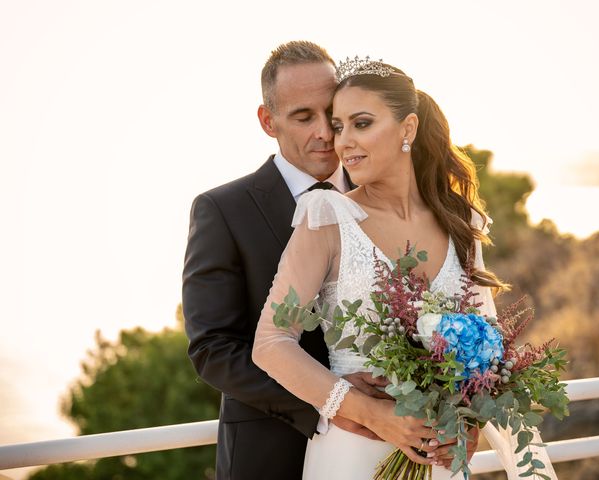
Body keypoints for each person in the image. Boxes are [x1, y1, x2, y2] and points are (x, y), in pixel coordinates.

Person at [252, 58, 557, 479]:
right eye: (339, 127)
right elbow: (270, 342)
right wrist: (372, 414)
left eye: (361, 123)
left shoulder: (460, 221)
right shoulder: (326, 216)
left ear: (408, 129)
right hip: (353, 453)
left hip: (443, 458)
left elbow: (486, 348)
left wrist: (469, 421)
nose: (343, 142)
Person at [183, 42, 436, 480]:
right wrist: (332, 400)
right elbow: (212, 349)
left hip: (394, 446)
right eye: (303, 117)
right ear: (268, 120)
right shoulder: (222, 210)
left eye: (332, 115)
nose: (325, 133)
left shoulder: (393, 201)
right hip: (269, 449)